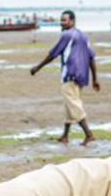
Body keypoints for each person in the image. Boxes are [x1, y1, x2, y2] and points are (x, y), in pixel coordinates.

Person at [30, 10, 100, 146]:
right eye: (61, 20)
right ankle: (65, 136)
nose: (62, 23)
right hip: (82, 76)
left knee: (74, 106)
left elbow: (53, 54)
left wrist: (38, 67)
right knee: (69, 105)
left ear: (72, 21)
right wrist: (95, 78)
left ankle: (89, 134)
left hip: (70, 75)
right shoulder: (83, 36)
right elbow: (91, 58)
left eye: (65, 20)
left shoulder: (67, 35)